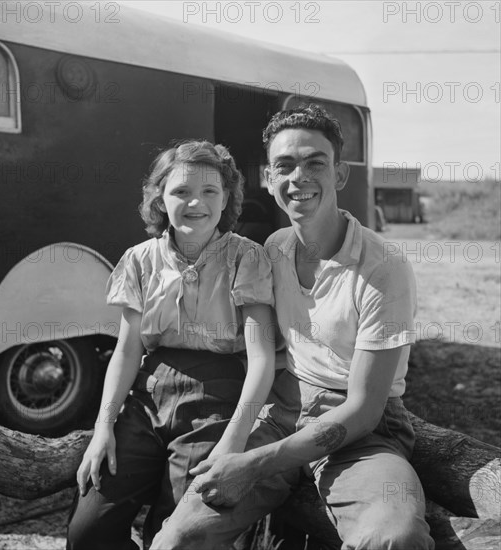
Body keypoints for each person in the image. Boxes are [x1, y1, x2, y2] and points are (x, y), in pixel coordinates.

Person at [150, 106, 435, 550]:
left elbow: (363, 410)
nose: (298, 176)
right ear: (268, 177)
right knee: (178, 538)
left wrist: (252, 464)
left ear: (340, 174)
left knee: (393, 538)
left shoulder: (383, 267)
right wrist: (234, 442)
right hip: (283, 412)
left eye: (315, 163)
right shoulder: (275, 248)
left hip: (360, 433)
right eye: (284, 165)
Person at [66, 141, 276, 550]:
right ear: (160, 198)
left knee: (179, 528)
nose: (195, 202)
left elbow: (262, 359)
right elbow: (127, 350)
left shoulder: (246, 258)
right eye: (181, 191)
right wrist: (103, 425)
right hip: (148, 395)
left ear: (227, 198)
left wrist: (233, 442)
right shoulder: (140, 260)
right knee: (88, 530)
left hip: (219, 397)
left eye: (210, 191)